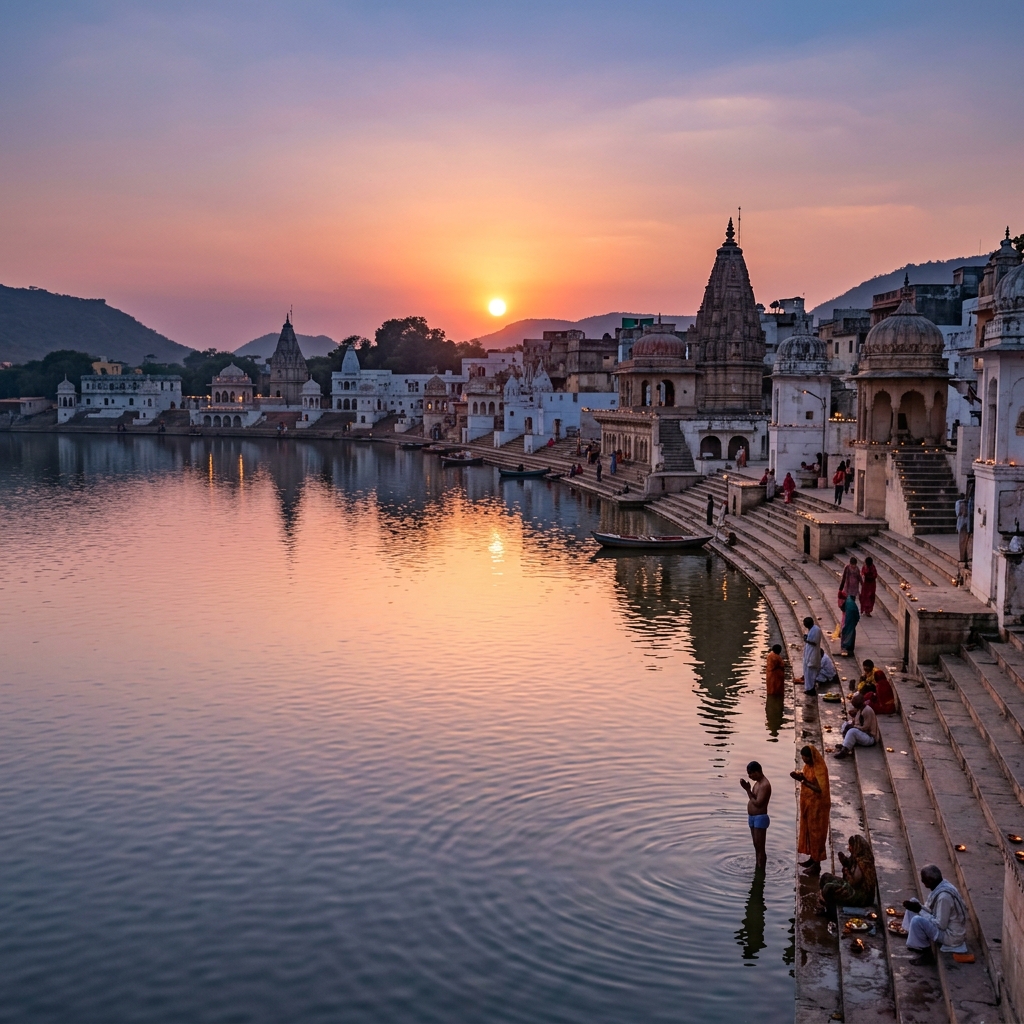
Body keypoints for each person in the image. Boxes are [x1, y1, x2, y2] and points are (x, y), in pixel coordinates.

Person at [902, 864, 968, 965]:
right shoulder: (943, 885)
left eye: (924, 879)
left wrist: (920, 910)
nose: (922, 881)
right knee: (913, 902)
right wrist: (917, 907)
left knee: (917, 920)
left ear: (931, 880)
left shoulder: (944, 898)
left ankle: (927, 953)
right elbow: (932, 911)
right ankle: (914, 939)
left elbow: (941, 925)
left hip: (951, 936)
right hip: (944, 926)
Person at [792, 745, 830, 875]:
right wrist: (799, 776)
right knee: (809, 831)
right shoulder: (807, 767)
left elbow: (820, 789)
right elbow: (806, 777)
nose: (805, 761)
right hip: (808, 806)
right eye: (803, 759)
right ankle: (812, 858)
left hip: (818, 808)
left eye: (806, 759)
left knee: (816, 835)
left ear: (812, 757)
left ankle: (817, 864)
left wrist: (803, 781)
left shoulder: (820, 769)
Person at [817, 835, 877, 919]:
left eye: (850, 846)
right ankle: (825, 904)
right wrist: (844, 860)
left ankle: (830, 913)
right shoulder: (856, 856)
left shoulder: (863, 863)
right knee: (825, 877)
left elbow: (853, 883)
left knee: (828, 888)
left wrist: (847, 873)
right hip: (852, 886)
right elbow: (849, 864)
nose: (849, 848)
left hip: (861, 895)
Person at [740, 761, 771, 870]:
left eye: (751, 773)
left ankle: (761, 871)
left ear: (757, 772)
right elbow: (754, 797)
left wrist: (747, 790)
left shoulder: (765, 785)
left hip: (760, 818)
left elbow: (758, 803)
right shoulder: (757, 783)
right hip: (753, 818)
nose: (749, 776)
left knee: (760, 848)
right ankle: (758, 867)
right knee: (756, 846)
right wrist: (748, 789)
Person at [835, 693, 879, 758]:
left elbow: (865, 727)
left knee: (852, 731)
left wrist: (854, 726)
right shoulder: (861, 709)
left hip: (870, 738)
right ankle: (845, 745)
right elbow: (857, 722)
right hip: (863, 733)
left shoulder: (867, 711)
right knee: (845, 725)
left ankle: (844, 751)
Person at [801, 616, 822, 696]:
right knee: (808, 672)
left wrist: (806, 640)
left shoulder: (815, 630)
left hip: (812, 654)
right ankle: (809, 688)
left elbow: (814, 642)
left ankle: (811, 689)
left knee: (810, 673)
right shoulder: (813, 629)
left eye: (805, 623)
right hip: (809, 653)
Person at [956, 494, 970, 564]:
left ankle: (964, 558)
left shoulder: (966, 503)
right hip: (962, 524)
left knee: (965, 543)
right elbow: (958, 513)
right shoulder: (959, 503)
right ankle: (963, 558)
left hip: (966, 524)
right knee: (962, 542)